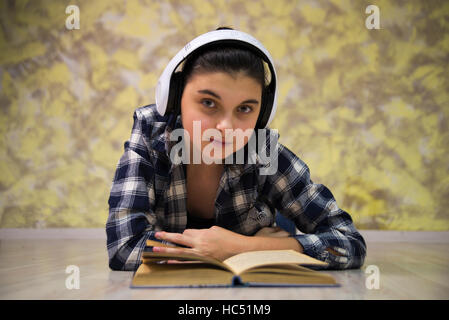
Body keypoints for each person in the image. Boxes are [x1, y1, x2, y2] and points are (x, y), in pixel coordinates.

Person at [106, 28, 366, 271]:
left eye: (244, 109)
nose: (226, 127)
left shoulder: (262, 149)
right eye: (208, 102)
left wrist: (243, 246)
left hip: (261, 222)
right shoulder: (151, 136)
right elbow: (124, 248)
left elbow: (349, 243)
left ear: (261, 113)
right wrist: (232, 249)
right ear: (174, 98)